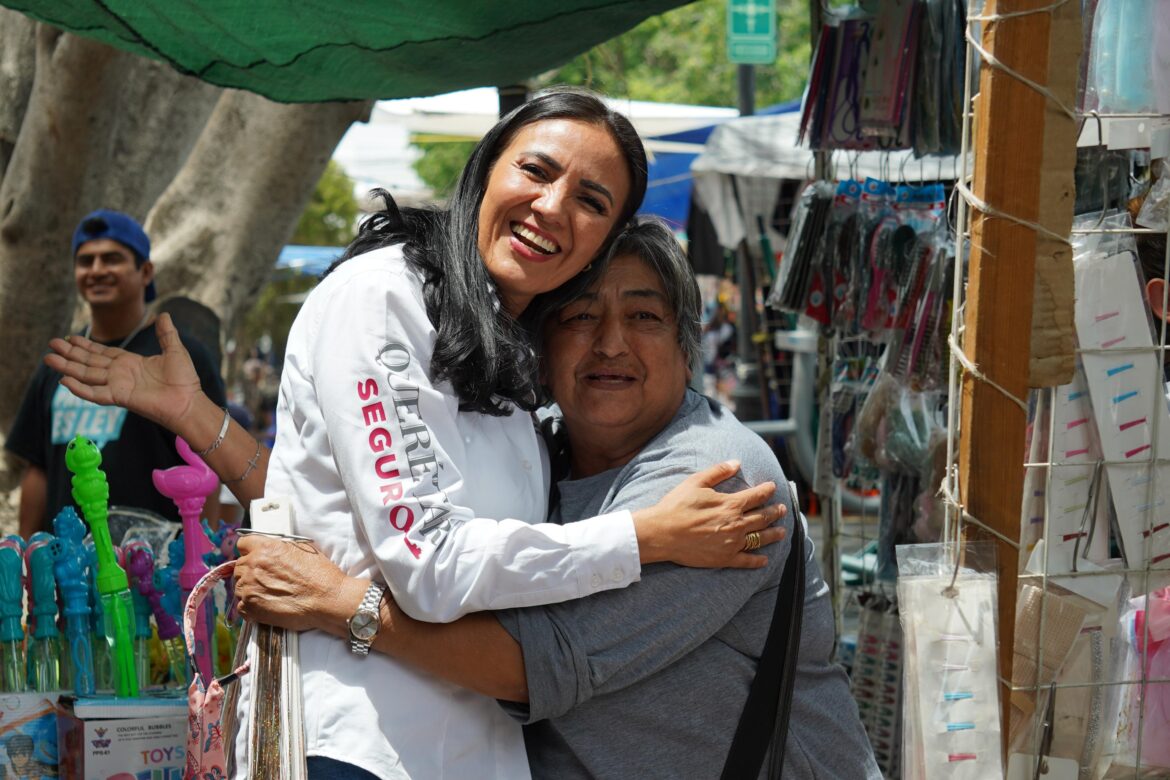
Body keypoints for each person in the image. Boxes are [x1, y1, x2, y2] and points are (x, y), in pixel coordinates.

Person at [46, 92, 783, 779]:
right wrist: (644, 536)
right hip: (358, 747)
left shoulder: (510, 345)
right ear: (485, 168)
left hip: (472, 753)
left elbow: (337, 503)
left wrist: (198, 418)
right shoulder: (385, 296)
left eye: (591, 201)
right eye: (536, 169)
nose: (553, 207)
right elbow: (427, 565)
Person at [233, 218, 881, 779]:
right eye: (579, 316)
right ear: (539, 351)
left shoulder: (715, 478)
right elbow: (359, 493)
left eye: (644, 316)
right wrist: (198, 421)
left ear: (689, 352)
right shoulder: (536, 454)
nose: (610, 342)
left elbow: (544, 662)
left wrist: (338, 601)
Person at [6, 209, 226, 536]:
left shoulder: (182, 357)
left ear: (146, 271)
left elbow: (210, 461)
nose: (96, 270)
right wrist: (28, 552)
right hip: (68, 570)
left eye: (112, 259)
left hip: (156, 569)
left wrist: (200, 553)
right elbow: (37, 467)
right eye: (86, 261)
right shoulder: (60, 361)